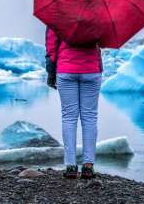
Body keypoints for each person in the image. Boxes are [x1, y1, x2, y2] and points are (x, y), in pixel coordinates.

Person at [45, 27, 103, 179]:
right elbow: (104, 39)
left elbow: (51, 45)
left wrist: (51, 72)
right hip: (91, 69)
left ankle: (71, 166)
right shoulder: (98, 13)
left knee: (69, 117)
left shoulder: (57, 13)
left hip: (66, 69)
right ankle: (88, 167)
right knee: (90, 117)